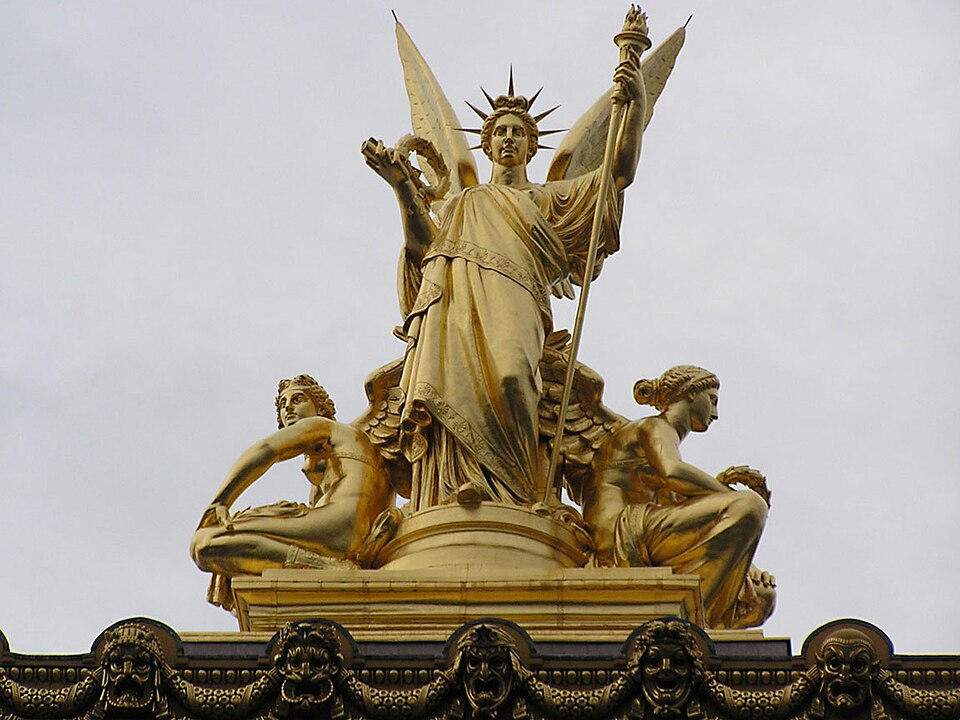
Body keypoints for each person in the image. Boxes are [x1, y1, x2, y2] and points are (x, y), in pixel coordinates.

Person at [362, 56, 647, 510]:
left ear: (532, 146)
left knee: (516, 378)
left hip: (519, 299)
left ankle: (519, 493)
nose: (509, 138)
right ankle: (460, 489)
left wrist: (635, 102)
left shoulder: (548, 198)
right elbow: (424, 249)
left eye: (518, 132)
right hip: (456, 304)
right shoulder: (465, 202)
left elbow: (618, 174)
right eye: (501, 132)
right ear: (488, 145)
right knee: (450, 387)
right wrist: (402, 188)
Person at [581, 365, 776, 628]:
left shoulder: (660, 443)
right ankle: (688, 623)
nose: (716, 414)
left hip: (644, 528)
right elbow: (674, 474)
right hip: (618, 531)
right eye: (713, 400)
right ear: (691, 393)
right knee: (750, 505)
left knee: (762, 597)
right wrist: (732, 496)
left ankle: (695, 621)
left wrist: (745, 559)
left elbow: (693, 513)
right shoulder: (653, 427)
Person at [190, 374, 395, 608]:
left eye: (298, 400)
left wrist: (221, 501)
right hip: (354, 533)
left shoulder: (324, 426)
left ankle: (322, 567)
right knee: (218, 543)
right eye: (283, 405)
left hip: (340, 525)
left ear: (321, 409)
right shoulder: (332, 467)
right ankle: (319, 566)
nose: (288, 408)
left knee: (204, 542)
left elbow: (268, 449)